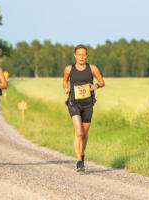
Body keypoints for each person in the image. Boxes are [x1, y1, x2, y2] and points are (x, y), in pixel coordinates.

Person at [63, 44, 105, 172]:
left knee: (85, 134)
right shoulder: (69, 69)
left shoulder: (92, 68)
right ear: (75, 55)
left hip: (88, 103)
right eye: (79, 54)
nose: (81, 57)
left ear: (86, 56)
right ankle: (79, 161)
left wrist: (96, 86)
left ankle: (82, 155)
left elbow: (102, 82)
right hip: (74, 103)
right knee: (79, 132)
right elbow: (65, 81)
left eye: (84, 54)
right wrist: (65, 88)